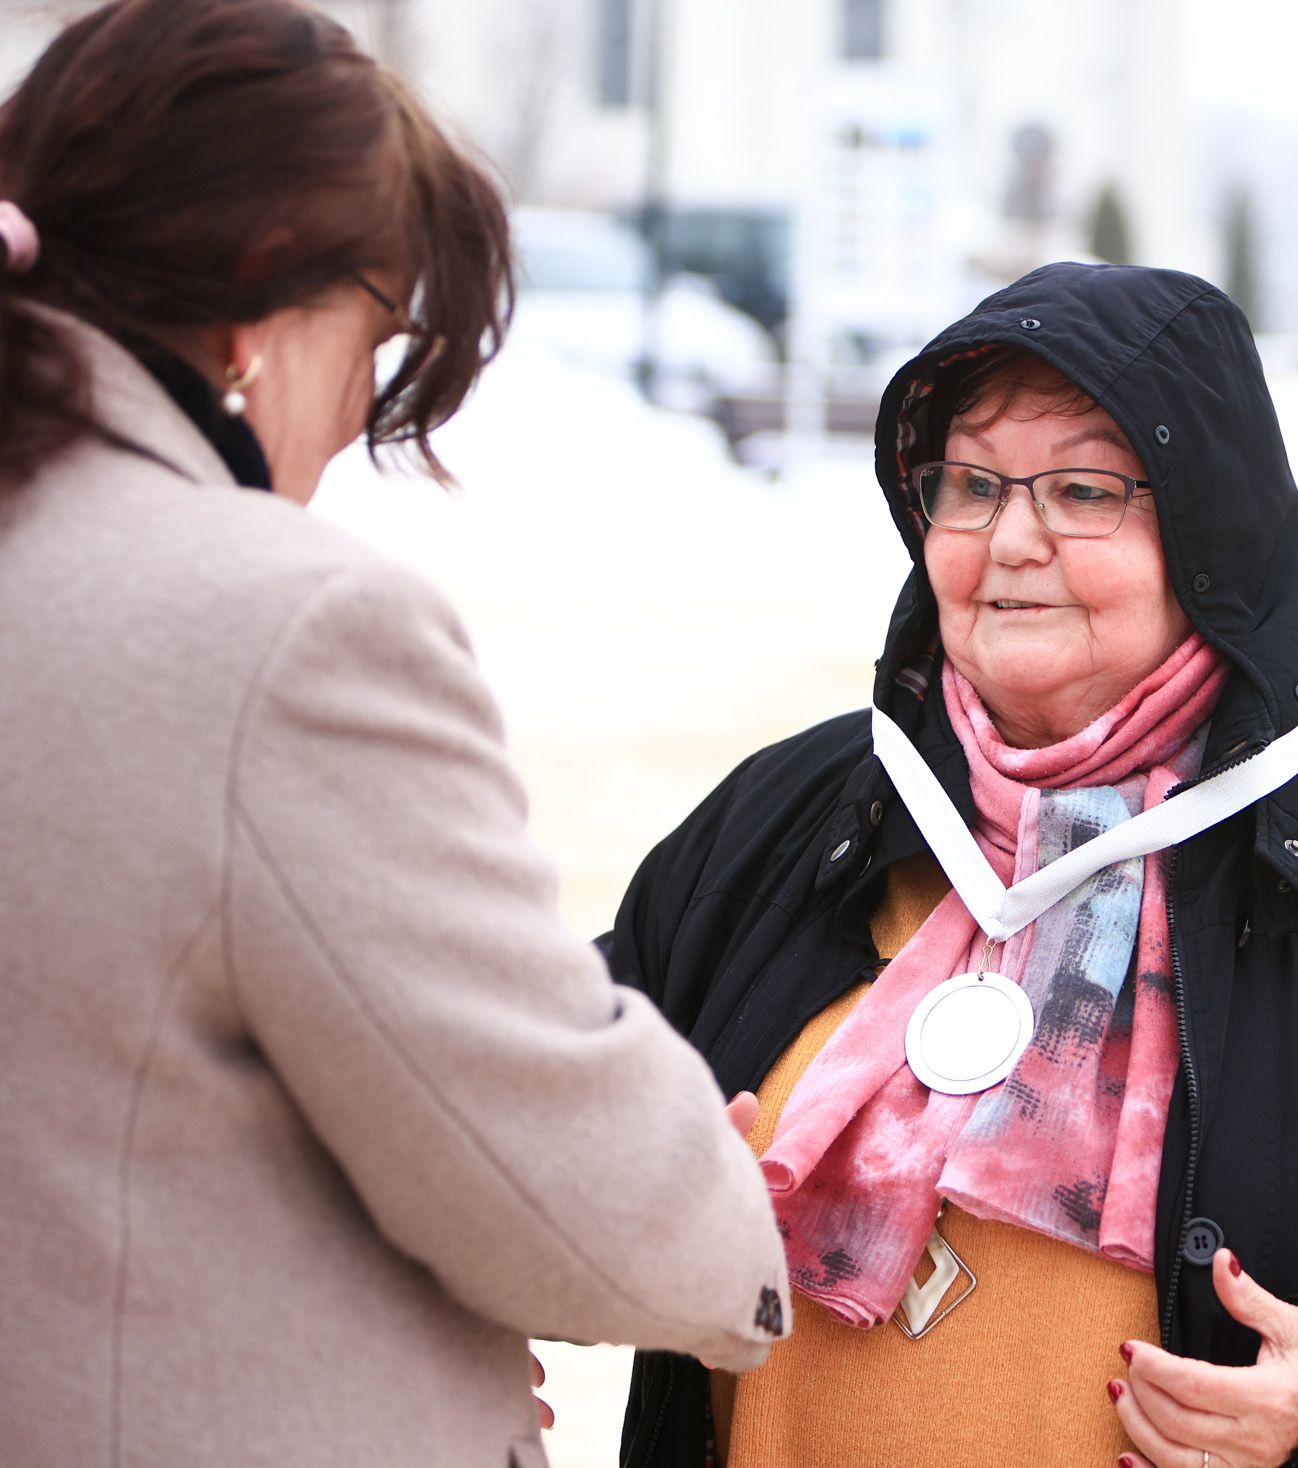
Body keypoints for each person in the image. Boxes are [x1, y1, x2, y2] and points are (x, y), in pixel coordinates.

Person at [602, 260, 1298, 1467]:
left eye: (1082, 490)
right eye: (972, 484)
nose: (1012, 539)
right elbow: (515, 1101)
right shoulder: (788, 818)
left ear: (1209, 528)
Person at [0, 4, 787, 1465]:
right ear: (262, 294)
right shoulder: (275, 630)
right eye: (378, 331)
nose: (364, 400)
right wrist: (722, 1204)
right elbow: (560, 1177)